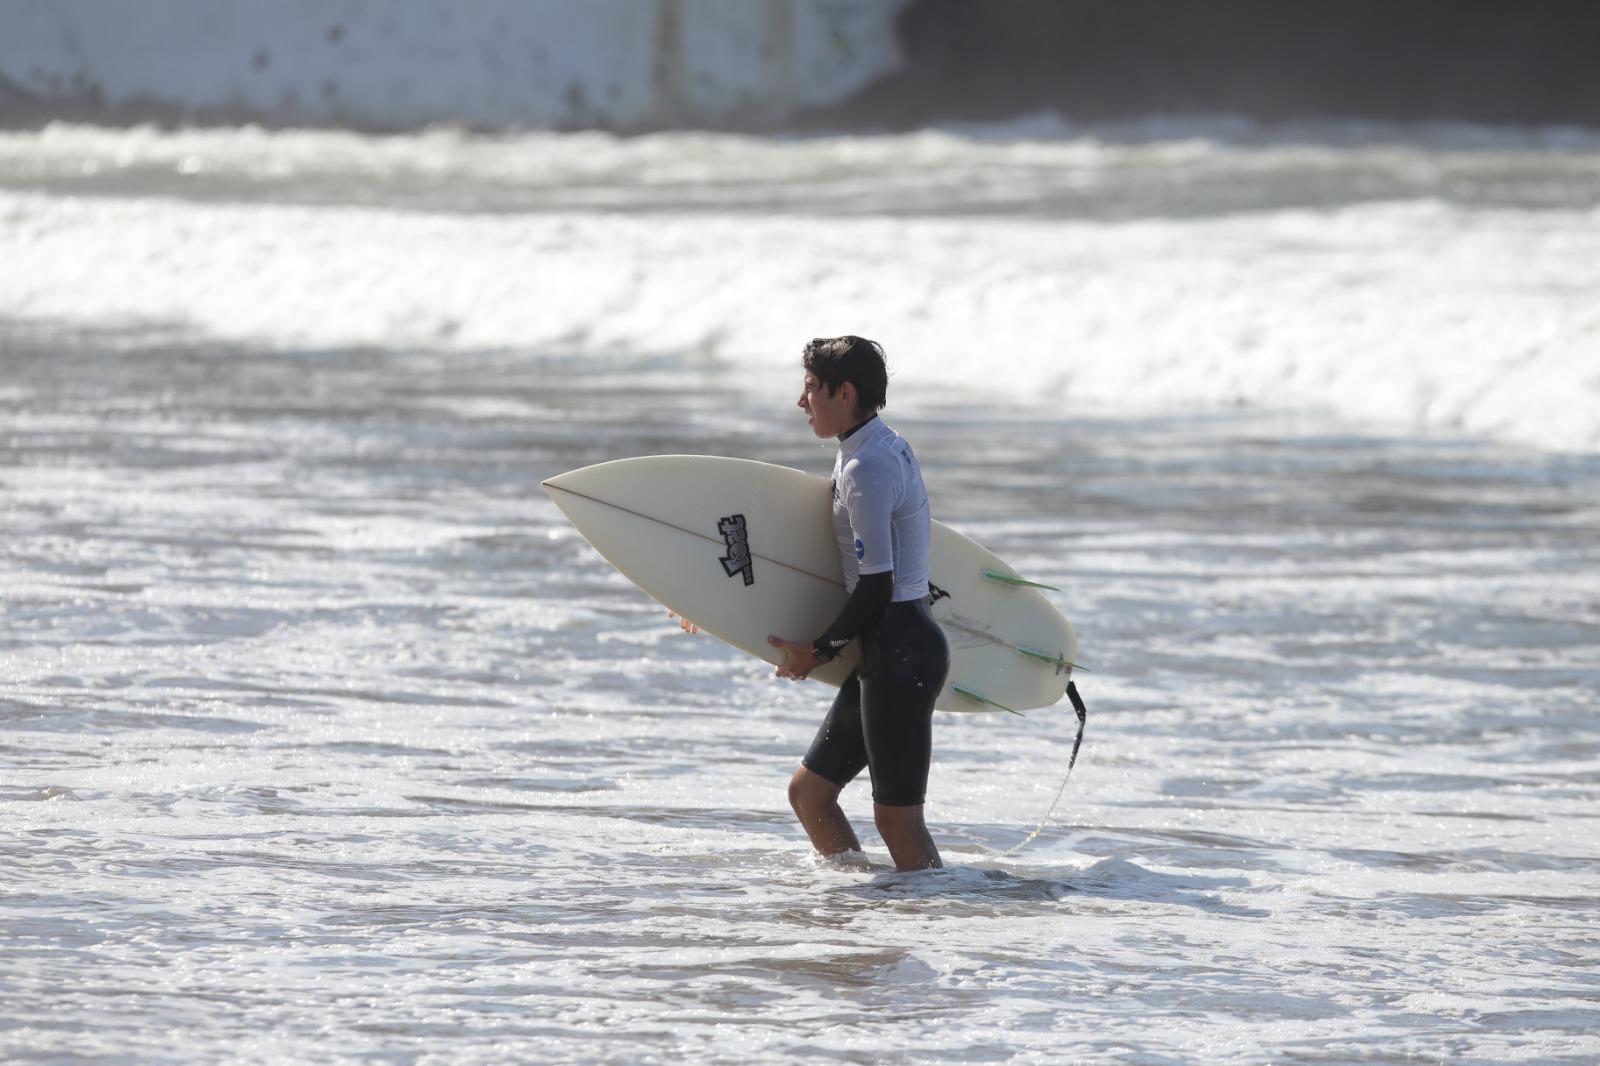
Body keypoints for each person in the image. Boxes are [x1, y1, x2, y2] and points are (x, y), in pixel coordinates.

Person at [678, 335, 949, 871]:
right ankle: (860, 902)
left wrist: (818, 652)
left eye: (810, 388)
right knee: (809, 794)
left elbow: (877, 585)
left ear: (844, 393)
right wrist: (710, 597)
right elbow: (820, 561)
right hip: (888, 648)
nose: (801, 401)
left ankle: (939, 914)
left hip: (900, 653)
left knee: (898, 821)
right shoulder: (878, 445)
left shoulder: (866, 468)